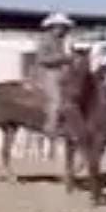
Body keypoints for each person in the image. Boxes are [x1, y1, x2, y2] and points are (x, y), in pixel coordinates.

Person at [35, 12, 74, 141]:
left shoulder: (65, 40)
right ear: (53, 26)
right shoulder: (45, 39)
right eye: (59, 26)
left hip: (63, 73)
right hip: (48, 73)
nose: (61, 29)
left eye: (63, 27)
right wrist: (62, 58)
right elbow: (41, 59)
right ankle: (50, 128)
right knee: (55, 100)